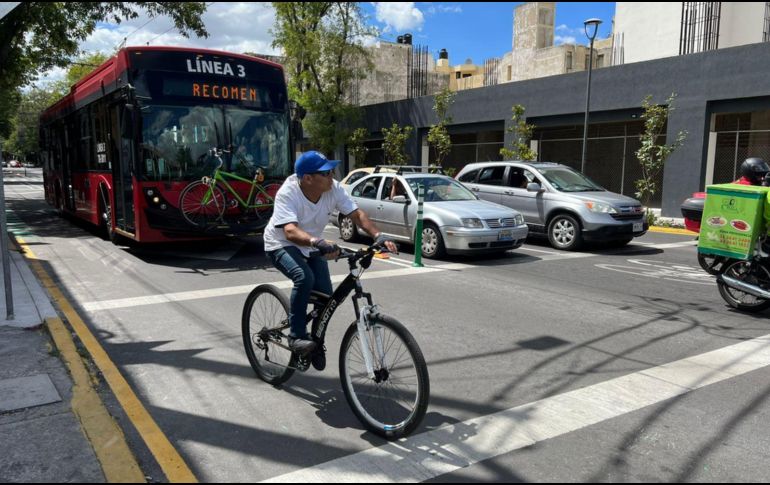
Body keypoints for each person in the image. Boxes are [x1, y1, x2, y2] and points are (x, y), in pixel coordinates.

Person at [262, 151, 398, 370]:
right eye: (326, 172)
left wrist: (378, 235)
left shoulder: (333, 188)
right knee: (304, 278)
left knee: (326, 298)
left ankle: (315, 345)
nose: (332, 175)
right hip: (281, 244)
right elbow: (289, 231)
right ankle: (296, 337)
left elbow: (356, 214)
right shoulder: (288, 193)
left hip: (313, 245)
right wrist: (318, 242)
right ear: (308, 178)